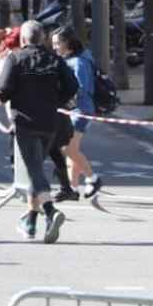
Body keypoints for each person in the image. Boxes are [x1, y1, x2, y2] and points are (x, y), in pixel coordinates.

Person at [0, 20, 79, 243]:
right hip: (50, 121)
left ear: (23, 39)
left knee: (34, 170)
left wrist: (1, 97)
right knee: (36, 168)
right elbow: (72, 86)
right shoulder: (55, 60)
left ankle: (50, 212)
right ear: (42, 38)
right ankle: (31, 220)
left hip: (25, 122)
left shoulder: (16, 58)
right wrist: (55, 101)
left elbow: (4, 88)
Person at [52, 30, 103, 200]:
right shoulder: (71, 60)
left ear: (67, 43)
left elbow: (83, 89)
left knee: (68, 148)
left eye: (57, 43)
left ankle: (92, 178)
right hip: (74, 109)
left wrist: (66, 99)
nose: (54, 47)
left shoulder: (80, 62)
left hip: (81, 110)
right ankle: (72, 188)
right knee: (72, 149)